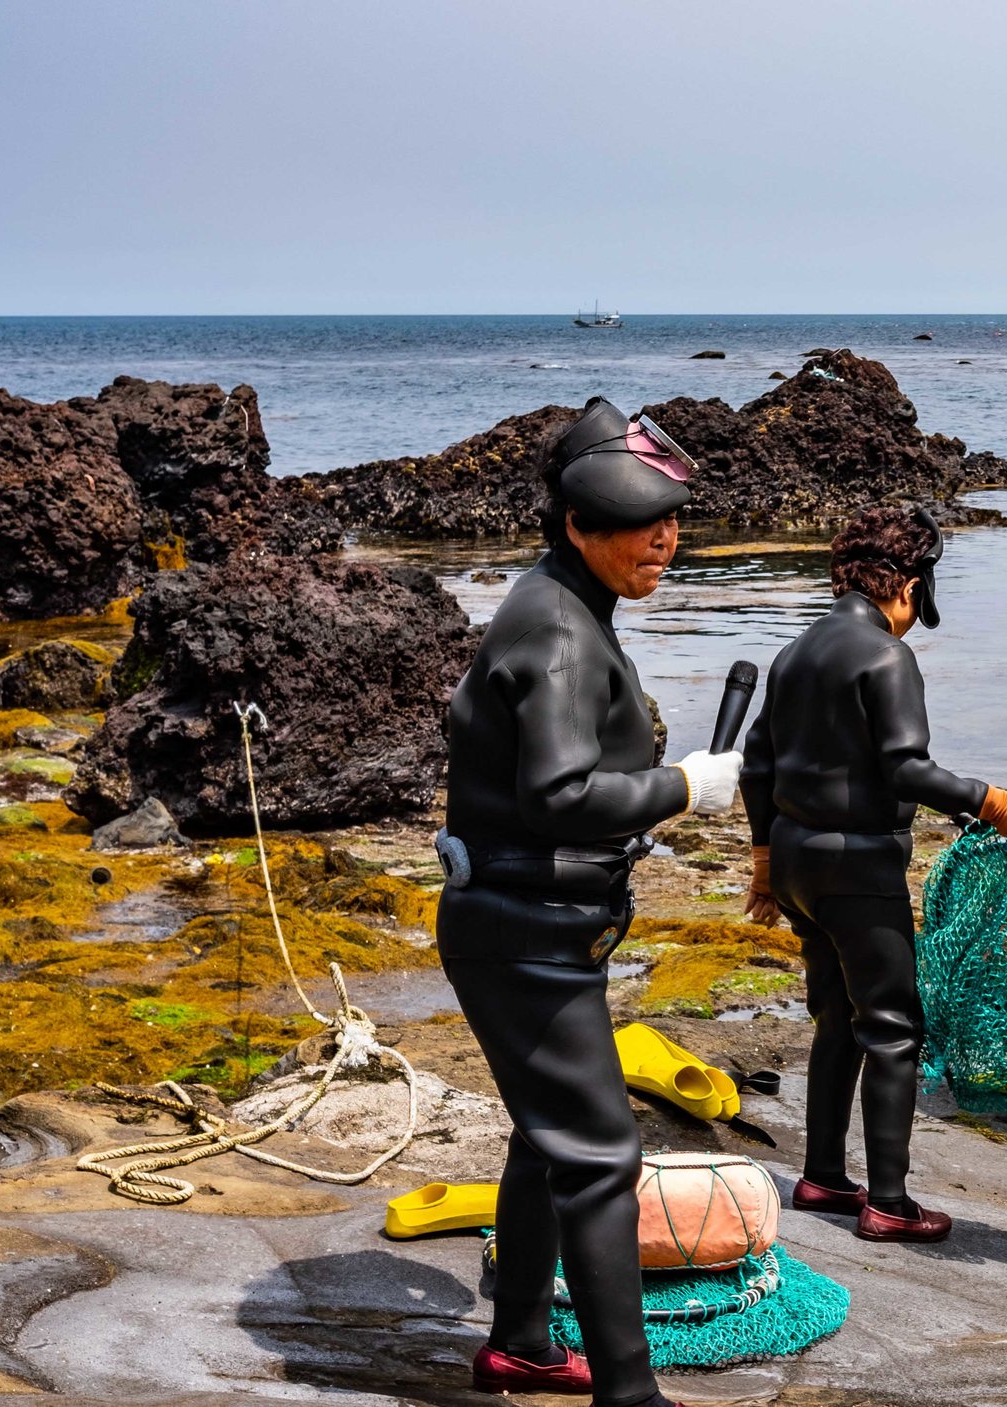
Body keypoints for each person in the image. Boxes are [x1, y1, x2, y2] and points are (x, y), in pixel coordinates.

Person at [434, 400, 733, 1407]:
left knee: (550, 1134)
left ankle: (520, 1343)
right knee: (602, 1156)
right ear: (576, 523)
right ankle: (630, 1394)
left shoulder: (564, 599)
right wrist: (686, 786)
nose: (664, 541)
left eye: (671, 520)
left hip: (542, 928)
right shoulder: (558, 627)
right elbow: (558, 797)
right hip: (520, 936)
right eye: (640, 524)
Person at [739, 503, 1007, 1243]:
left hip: (798, 862)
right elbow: (905, 768)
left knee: (836, 1018)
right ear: (907, 585)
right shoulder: (886, 656)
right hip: (857, 867)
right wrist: (989, 799)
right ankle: (889, 1202)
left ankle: (821, 1175)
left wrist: (764, 861)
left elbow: (756, 763)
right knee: (893, 1027)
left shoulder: (795, 652)